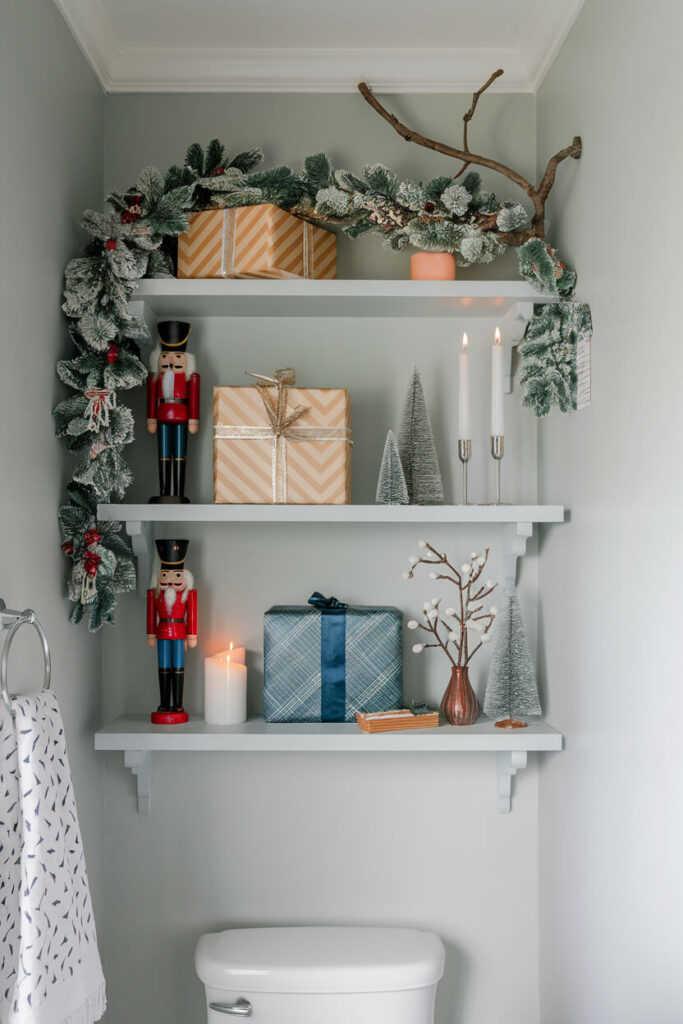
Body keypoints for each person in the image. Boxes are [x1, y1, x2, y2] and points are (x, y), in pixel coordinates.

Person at [146, 320, 200, 502]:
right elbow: (151, 399)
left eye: (177, 357)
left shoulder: (190, 378)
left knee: (179, 454)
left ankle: (178, 491)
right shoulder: (155, 379)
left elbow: (193, 400)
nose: (170, 361)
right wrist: (151, 419)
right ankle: (164, 491)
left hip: (181, 417)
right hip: (162, 417)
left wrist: (194, 419)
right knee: (163, 454)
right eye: (165, 356)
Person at [146, 539, 197, 725]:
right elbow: (151, 615)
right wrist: (150, 633)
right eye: (165, 575)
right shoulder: (155, 595)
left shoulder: (188, 595)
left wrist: (192, 635)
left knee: (178, 669)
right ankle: (165, 703)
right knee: (163, 668)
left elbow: (192, 615)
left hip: (179, 633)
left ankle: (178, 704)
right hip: (162, 634)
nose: (169, 581)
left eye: (175, 576)